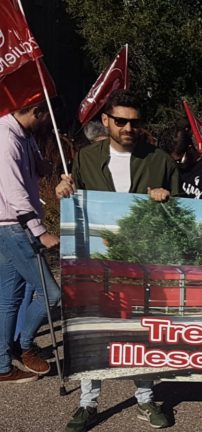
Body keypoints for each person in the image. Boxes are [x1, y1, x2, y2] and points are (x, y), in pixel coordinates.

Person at [55, 90, 173, 431]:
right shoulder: (86, 159)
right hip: (95, 262)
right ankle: (88, 403)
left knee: (140, 331)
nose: (127, 127)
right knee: (93, 331)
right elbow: (73, 198)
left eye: (134, 122)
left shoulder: (159, 160)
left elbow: (182, 210)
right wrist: (64, 189)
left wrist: (165, 199)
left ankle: (146, 400)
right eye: (120, 120)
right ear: (105, 120)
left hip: (144, 262)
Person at [0, 101, 61, 384]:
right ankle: (24, 346)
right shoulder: (5, 136)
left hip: (11, 227)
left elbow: (37, 171)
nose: (46, 120)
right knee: (51, 294)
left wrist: (44, 163)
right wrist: (39, 231)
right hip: (15, 227)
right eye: (45, 114)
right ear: (36, 111)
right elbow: (14, 192)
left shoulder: (24, 136)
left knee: (9, 299)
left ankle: (2, 363)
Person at [158, 126, 202, 200]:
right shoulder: (168, 171)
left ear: (190, 149)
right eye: (169, 161)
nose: (174, 165)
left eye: (178, 161)